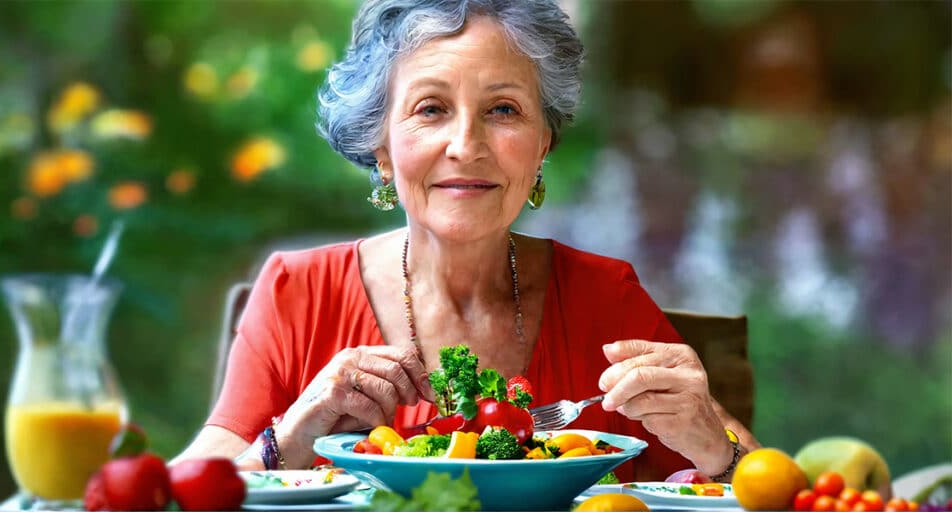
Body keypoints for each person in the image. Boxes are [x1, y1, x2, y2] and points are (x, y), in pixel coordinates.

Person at [173, 0, 760, 482]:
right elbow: (179, 488)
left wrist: (716, 447)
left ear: (543, 146)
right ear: (382, 148)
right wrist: (292, 435)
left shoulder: (605, 298)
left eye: (503, 109)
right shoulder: (296, 291)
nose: (466, 145)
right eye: (431, 109)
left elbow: (769, 483)